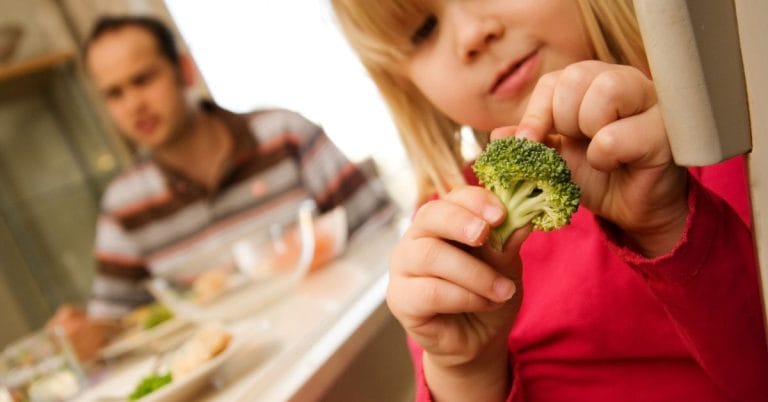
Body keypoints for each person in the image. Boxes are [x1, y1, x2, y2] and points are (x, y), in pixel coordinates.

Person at [330, 1, 768, 401]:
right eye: (424, 30)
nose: (471, 36)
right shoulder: (450, 225)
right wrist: (465, 371)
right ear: (404, 84)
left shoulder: (723, 128)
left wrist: (665, 222)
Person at [49, 15, 393, 361]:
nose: (133, 104)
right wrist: (87, 334)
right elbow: (117, 324)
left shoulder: (285, 135)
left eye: (143, 79)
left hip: (345, 346)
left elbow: (384, 232)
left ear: (184, 69)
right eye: (114, 93)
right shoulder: (123, 207)